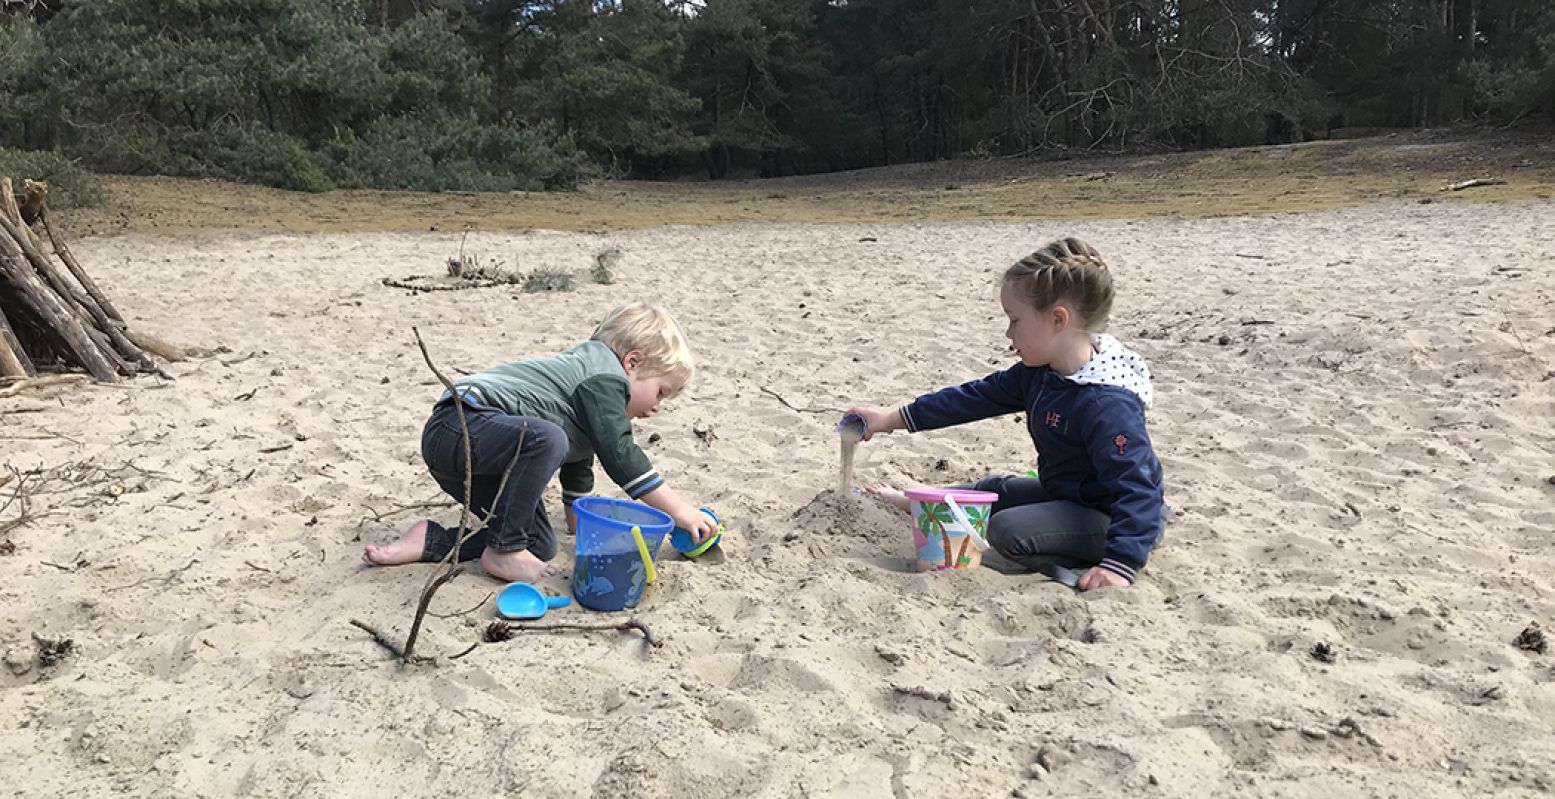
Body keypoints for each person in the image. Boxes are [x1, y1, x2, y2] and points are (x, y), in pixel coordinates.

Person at [848, 238, 1166, 591]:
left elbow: (1138, 488)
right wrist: (891, 419)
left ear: (1058, 319)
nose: (1009, 333)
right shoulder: (1041, 373)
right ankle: (920, 504)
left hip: (1116, 519)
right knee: (993, 490)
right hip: (1065, 494)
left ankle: (1087, 555)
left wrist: (1120, 564)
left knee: (1007, 529)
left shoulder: (1106, 405)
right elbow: (973, 398)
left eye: (1015, 320)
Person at [363, 301, 719, 582]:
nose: (656, 407)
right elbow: (620, 454)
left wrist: (579, 522)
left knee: (539, 545)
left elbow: (578, 470)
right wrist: (678, 512)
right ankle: (504, 550)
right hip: (459, 425)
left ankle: (431, 540)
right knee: (549, 439)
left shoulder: (587, 406)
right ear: (632, 362)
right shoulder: (603, 376)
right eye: (660, 392)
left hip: (476, 457)